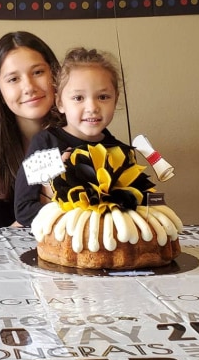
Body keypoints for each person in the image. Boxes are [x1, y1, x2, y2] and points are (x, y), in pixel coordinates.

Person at [14, 46, 133, 227]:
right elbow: (24, 209)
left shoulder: (121, 152)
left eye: (103, 97)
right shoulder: (46, 144)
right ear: (60, 102)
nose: (92, 107)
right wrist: (75, 217)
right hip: (57, 243)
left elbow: (135, 207)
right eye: (78, 98)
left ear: (115, 100)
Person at [0, 32, 60, 227]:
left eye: (38, 72)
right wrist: (41, 211)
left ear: (56, 75)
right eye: (13, 79)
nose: (29, 87)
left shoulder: (84, 139)